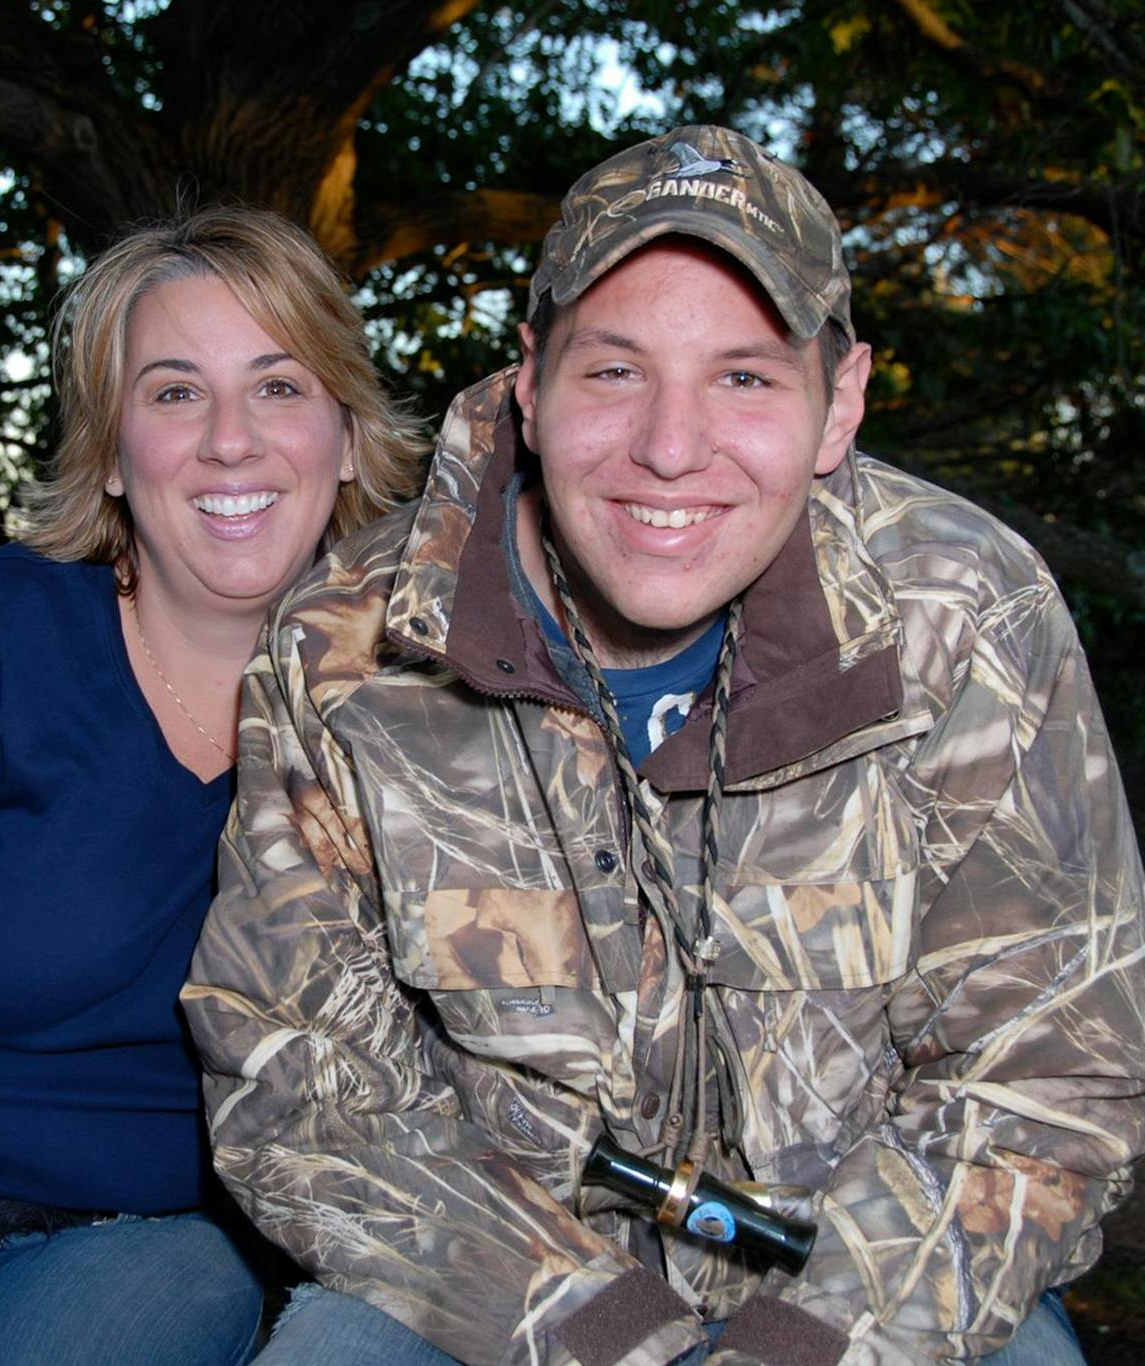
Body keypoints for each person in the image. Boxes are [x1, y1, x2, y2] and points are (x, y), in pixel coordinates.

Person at [183, 127, 1145, 1366]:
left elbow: (1047, 1074)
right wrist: (609, 1330)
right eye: (614, 372)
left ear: (836, 402)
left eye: (743, 377)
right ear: (529, 379)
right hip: (494, 1284)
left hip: (868, 1291)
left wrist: (794, 1347)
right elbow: (299, 1082)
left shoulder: (963, 618)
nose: (671, 449)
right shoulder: (345, 652)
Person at [0, 205, 423, 1365]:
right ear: (107, 449)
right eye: (173, 392)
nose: (230, 441)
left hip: (103, 1267)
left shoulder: (403, 734)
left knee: (196, 1281)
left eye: (279, 386)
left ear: (347, 436)